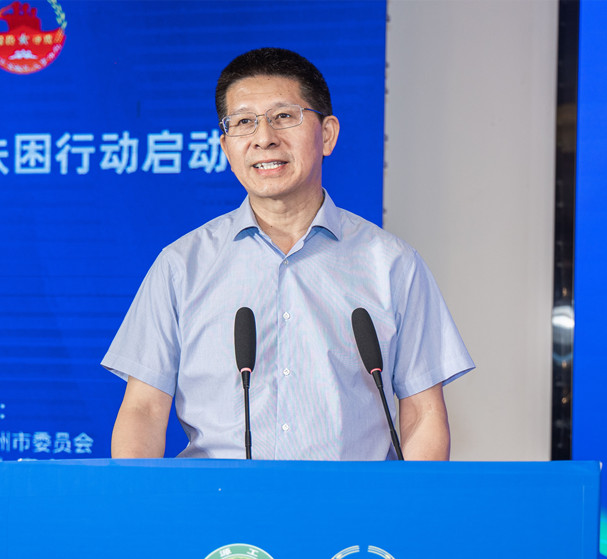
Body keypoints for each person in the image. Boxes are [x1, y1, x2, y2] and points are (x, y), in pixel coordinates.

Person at [102, 47, 473, 460]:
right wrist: (136, 500)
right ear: (226, 147)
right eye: (244, 122)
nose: (264, 138)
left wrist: (411, 500)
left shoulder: (392, 264)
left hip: (350, 500)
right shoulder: (181, 266)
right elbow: (144, 410)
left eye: (283, 116)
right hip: (216, 500)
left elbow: (423, 412)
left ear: (327, 134)